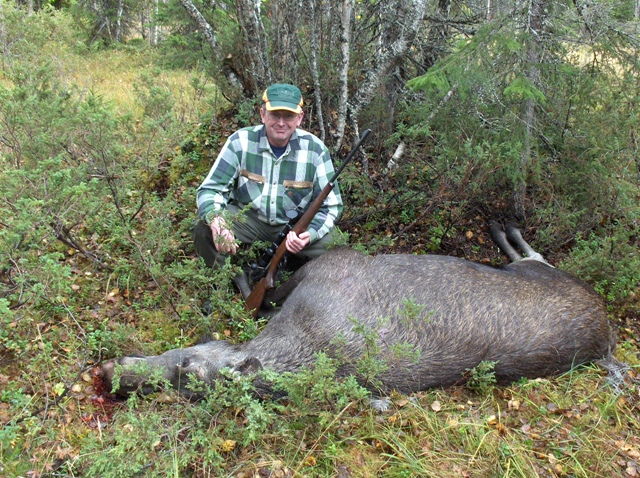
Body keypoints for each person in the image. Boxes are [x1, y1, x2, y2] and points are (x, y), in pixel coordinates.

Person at [191, 83, 343, 292]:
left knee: (334, 245)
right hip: (249, 221)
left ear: (299, 118)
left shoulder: (315, 150)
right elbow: (210, 190)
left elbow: (331, 205)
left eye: (288, 116)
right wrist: (217, 218)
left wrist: (310, 234)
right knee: (203, 225)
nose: (281, 123)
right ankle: (222, 287)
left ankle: (296, 283)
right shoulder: (240, 142)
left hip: (293, 228)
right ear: (262, 114)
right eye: (274, 115)